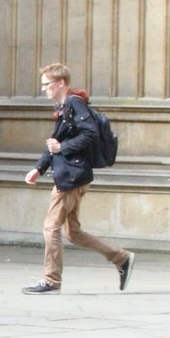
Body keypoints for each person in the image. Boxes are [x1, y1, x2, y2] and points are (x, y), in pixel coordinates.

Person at [22, 63, 133, 295]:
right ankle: (121, 258)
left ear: (61, 83)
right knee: (73, 232)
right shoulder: (64, 106)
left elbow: (89, 134)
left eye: (47, 84)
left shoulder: (74, 103)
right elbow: (54, 142)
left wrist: (63, 147)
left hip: (71, 177)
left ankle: (51, 281)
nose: (44, 89)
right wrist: (39, 169)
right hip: (73, 174)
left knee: (50, 227)